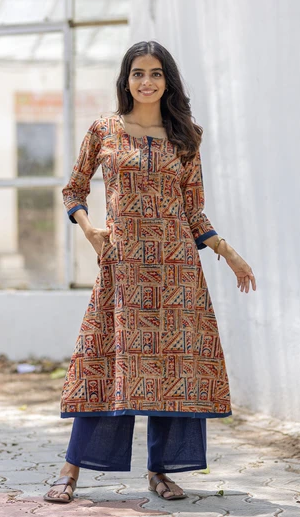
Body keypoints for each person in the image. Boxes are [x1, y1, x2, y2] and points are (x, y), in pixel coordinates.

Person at [44, 40, 256, 504]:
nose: (146, 81)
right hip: (122, 269)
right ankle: (70, 469)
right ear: (126, 80)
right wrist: (90, 231)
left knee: (170, 368)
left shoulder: (186, 137)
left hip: (177, 271)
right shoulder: (104, 129)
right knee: (102, 362)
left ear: (167, 81)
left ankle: (160, 471)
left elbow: (193, 210)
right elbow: (73, 189)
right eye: (138, 73)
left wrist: (229, 253)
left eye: (156, 73)